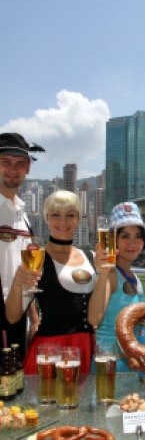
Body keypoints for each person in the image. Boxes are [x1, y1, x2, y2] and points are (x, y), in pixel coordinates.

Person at [6, 190, 102, 374]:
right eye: (56, 215)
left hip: (87, 349)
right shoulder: (36, 260)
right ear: (47, 218)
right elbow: (12, 316)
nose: (63, 222)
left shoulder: (91, 257)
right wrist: (17, 284)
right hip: (51, 351)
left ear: (79, 219)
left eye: (70, 215)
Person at [88, 202, 145, 372]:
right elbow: (94, 319)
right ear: (113, 240)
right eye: (125, 236)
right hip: (111, 365)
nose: (133, 242)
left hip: (132, 363)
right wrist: (102, 274)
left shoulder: (134, 277)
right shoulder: (110, 274)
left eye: (138, 236)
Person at [0, 132, 44, 359]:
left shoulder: (23, 214)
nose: (12, 169)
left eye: (19, 164)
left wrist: (34, 318)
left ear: (28, 168)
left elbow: (24, 270)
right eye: (5, 162)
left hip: (19, 321)